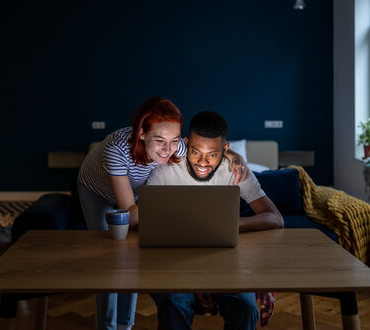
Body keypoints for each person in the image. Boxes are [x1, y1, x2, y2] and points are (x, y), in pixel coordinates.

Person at [77, 98, 248, 330]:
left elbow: (208, 150)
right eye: (159, 141)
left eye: (175, 140)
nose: (169, 150)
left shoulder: (176, 147)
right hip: (96, 190)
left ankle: (125, 324)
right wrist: (176, 205)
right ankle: (107, 326)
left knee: (131, 254)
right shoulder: (116, 150)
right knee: (109, 258)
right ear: (141, 134)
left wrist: (236, 157)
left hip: (135, 192)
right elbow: (130, 213)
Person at [147, 111, 285, 330]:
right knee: (173, 303)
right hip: (176, 265)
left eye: (212, 154)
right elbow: (143, 219)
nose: (203, 162)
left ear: (226, 150)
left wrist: (230, 223)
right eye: (195, 152)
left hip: (228, 266)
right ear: (185, 143)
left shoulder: (236, 171)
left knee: (246, 306)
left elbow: (275, 218)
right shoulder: (164, 172)